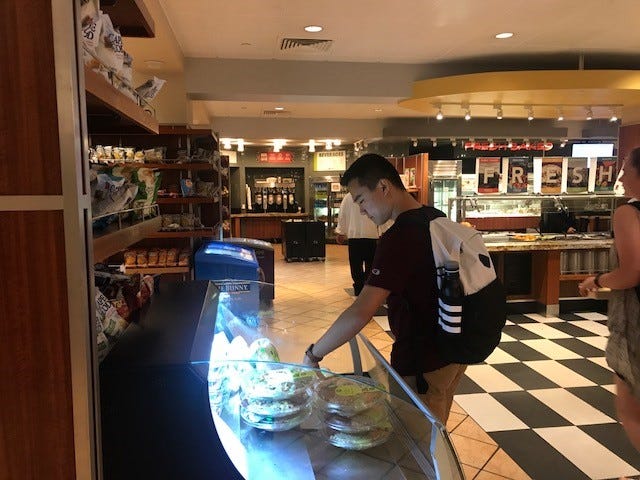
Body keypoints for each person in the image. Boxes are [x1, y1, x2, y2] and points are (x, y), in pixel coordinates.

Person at [303, 153, 467, 424]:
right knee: (437, 430)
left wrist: (314, 353)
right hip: (452, 352)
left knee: (420, 441)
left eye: (361, 200)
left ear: (383, 187)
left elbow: (361, 311)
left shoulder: (399, 238)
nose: (361, 210)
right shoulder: (434, 217)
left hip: (422, 362)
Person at [579, 147, 640, 452]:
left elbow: (632, 272)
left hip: (635, 320)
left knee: (631, 410)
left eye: (626, 169)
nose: (621, 176)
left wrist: (598, 280)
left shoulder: (629, 212)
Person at [335, 192, 385, 296]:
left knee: (355, 265)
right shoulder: (373, 194)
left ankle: (358, 287)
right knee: (370, 264)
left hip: (354, 236)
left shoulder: (349, 196)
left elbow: (342, 215)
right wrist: (383, 231)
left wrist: (341, 232)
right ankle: (368, 287)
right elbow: (381, 213)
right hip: (371, 235)